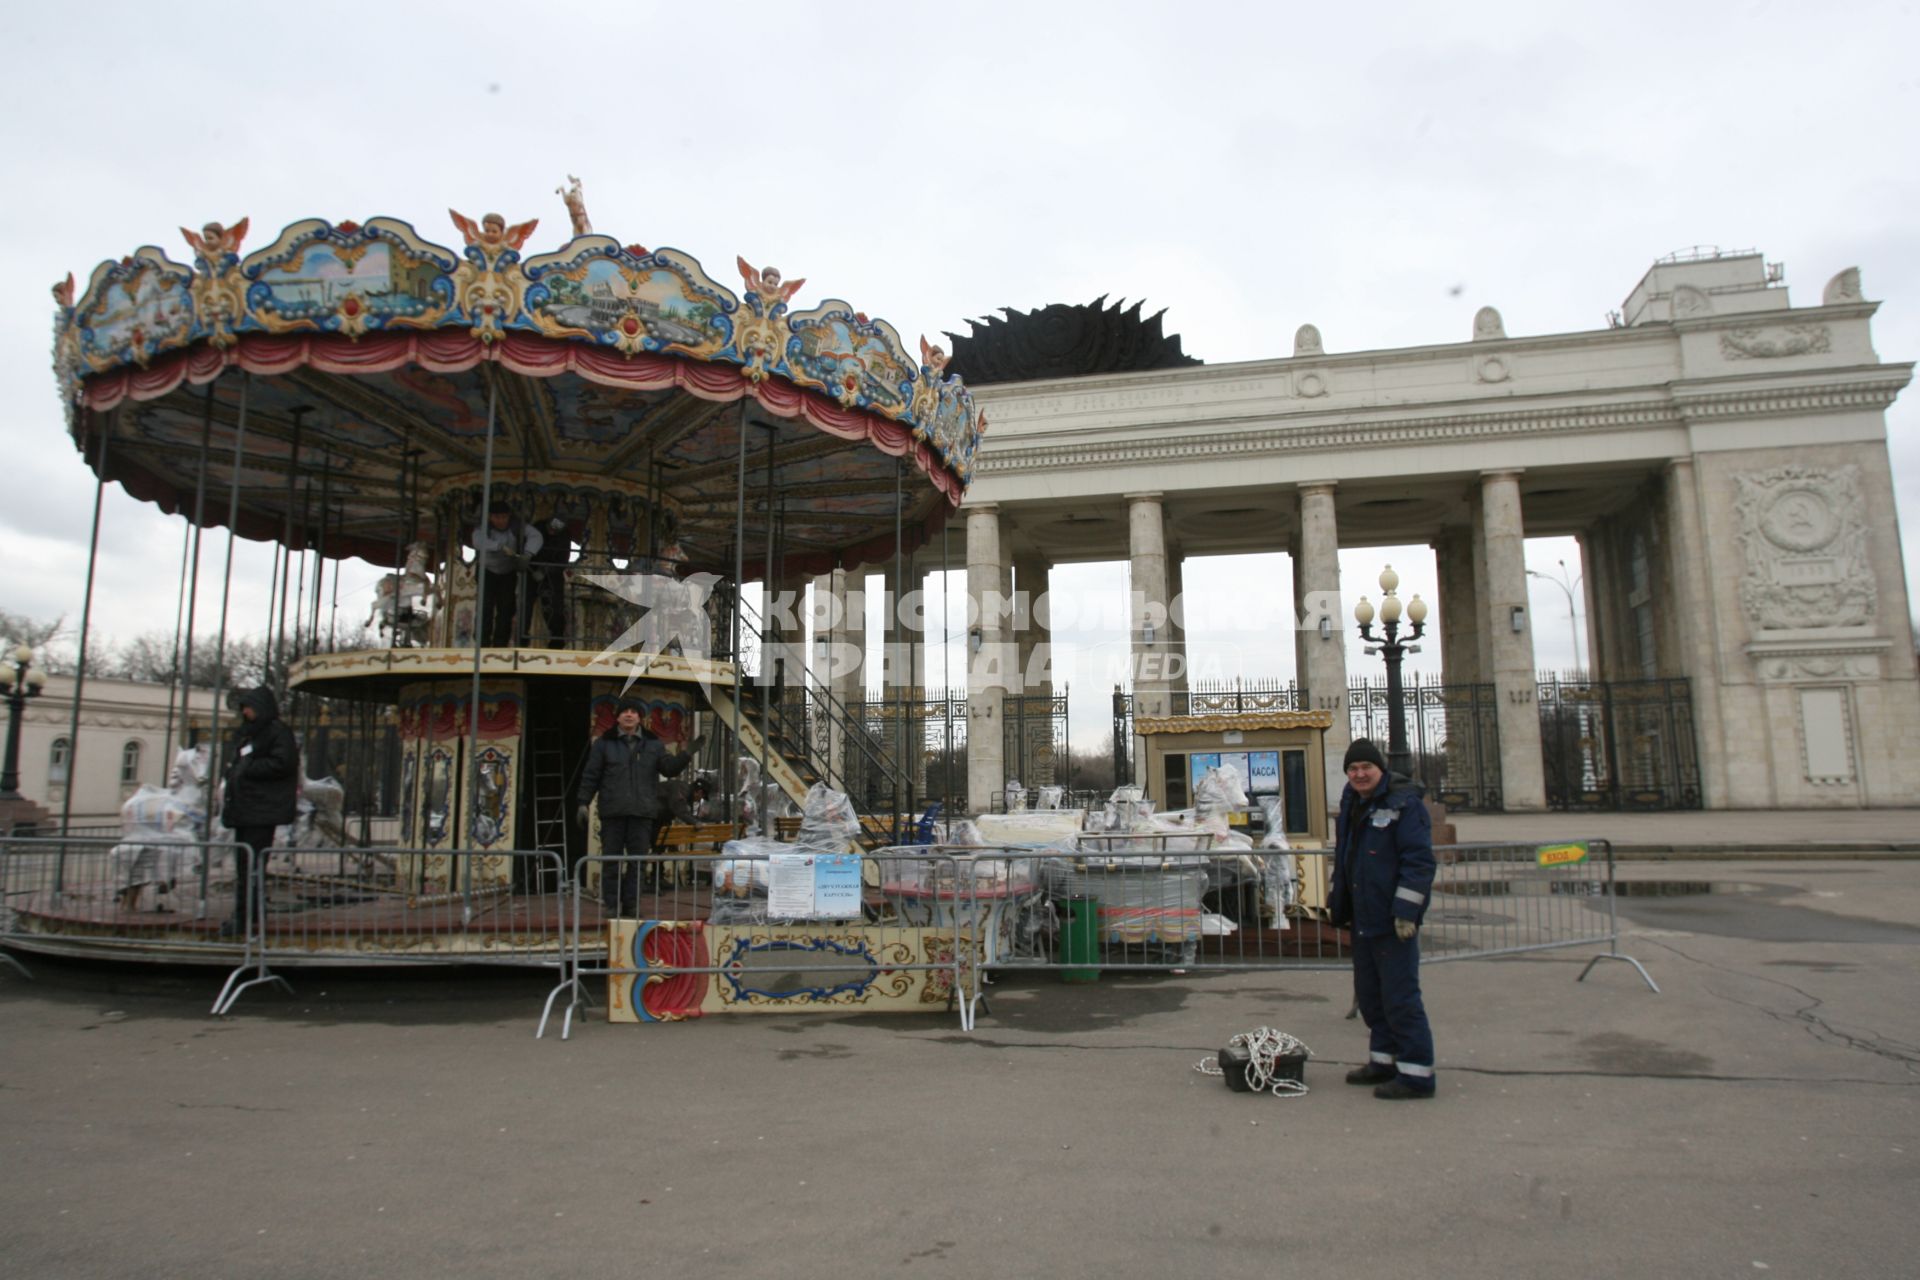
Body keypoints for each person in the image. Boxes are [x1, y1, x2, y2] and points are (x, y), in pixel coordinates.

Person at [1327, 738, 1437, 1100]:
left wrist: (1406, 912)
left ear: (1381, 769)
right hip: (1363, 915)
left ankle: (1417, 1074)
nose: (1359, 774)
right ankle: (1384, 1061)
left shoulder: (1404, 804)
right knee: (1372, 996)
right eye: (1353, 769)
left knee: (1400, 997)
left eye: (1366, 768)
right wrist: (1337, 903)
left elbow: (1418, 863)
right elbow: (1348, 859)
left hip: (1392, 920)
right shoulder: (1353, 803)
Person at [576, 699, 703, 916]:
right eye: (624, 711)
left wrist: (686, 754)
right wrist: (583, 802)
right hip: (613, 811)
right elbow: (591, 775)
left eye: (633, 711)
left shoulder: (653, 745)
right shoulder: (604, 745)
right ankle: (611, 904)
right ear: (617, 717)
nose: (629, 715)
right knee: (611, 861)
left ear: (640, 717)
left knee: (637, 862)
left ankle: (632, 904)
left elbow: (669, 768)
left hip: (642, 812)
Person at [217, 687, 300, 938]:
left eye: (248, 707)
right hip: (247, 807)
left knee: (251, 865)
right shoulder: (253, 734)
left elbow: (283, 763)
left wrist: (246, 768)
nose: (245, 712)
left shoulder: (276, 732)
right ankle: (247, 913)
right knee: (245, 865)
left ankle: (246, 917)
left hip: (260, 809)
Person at [469, 501, 542, 647]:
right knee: (485, 607)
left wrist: (528, 553)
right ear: (490, 517)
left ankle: (500, 643)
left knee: (506, 608)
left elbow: (536, 535)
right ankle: (482, 641)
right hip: (487, 571)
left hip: (507, 573)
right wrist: (498, 546)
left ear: (509, 516)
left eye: (504, 517)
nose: (501, 521)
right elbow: (478, 541)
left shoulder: (516, 527)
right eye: (497, 517)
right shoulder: (484, 529)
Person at [530, 516, 574, 645]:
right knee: (526, 604)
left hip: (552, 575)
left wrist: (545, 570)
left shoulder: (564, 537)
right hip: (533, 571)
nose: (552, 533)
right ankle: (523, 638)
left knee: (554, 606)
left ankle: (557, 638)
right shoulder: (538, 529)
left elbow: (562, 560)